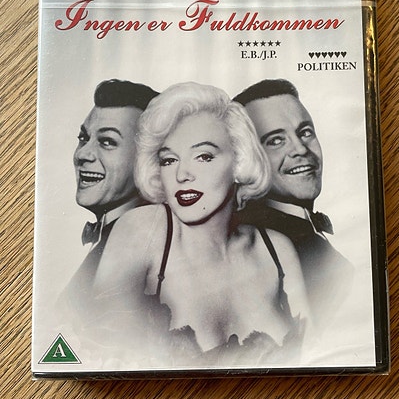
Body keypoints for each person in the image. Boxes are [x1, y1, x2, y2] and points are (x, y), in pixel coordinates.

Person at [93, 82, 311, 368]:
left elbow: (316, 354)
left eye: (204, 156)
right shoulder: (144, 229)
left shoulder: (276, 250)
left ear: (240, 162)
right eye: (169, 160)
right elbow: (98, 353)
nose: (182, 174)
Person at [233, 79, 353, 331]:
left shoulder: (302, 231)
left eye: (305, 132)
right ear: (243, 162)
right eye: (275, 140)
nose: (300, 149)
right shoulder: (265, 245)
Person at [60, 79, 159, 324]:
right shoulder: (110, 234)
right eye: (83, 138)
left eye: (107, 141)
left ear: (149, 160)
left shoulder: (143, 242)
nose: (82, 154)